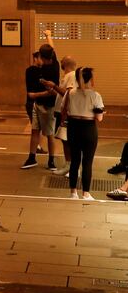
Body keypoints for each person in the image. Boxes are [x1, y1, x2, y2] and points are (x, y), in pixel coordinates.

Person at [66, 66, 104, 200]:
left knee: (74, 161)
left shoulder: (70, 93)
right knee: (87, 162)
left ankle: (73, 192)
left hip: (73, 127)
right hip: (88, 129)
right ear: (91, 79)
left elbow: (64, 110)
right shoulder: (95, 95)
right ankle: (86, 194)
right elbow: (99, 118)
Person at [21, 42, 59, 170]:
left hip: (49, 106)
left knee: (49, 133)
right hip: (38, 105)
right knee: (35, 130)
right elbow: (53, 49)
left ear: (43, 57)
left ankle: (51, 160)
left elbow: (52, 92)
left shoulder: (52, 68)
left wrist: (36, 95)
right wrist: (48, 36)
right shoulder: (48, 66)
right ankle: (32, 157)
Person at [41, 55, 76, 176]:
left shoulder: (72, 75)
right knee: (64, 140)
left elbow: (68, 94)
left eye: (62, 61)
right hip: (60, 112)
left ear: (66, 64)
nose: (60, 62)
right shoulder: (67, 76)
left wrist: (54, 86)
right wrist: (53, 90)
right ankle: (69, 165)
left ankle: (71, 166)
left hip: (66, 114)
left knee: (68, 140)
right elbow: (62, 94)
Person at [25, 51, 47, 154]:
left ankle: (37, 146)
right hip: (33, 101)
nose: (42, 61)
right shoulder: (34, 71)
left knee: (37, 127)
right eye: (40, 58)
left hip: (32, 101)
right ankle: (37, 146)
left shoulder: (33, 70)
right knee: (37, 127)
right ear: (35, 59)